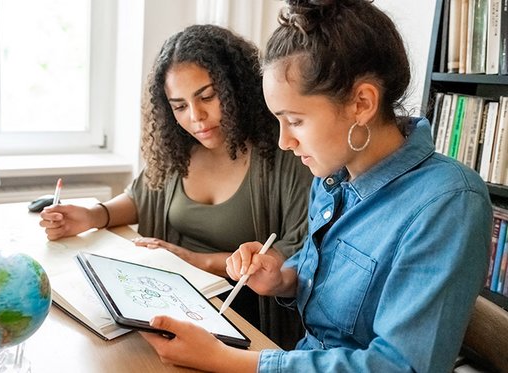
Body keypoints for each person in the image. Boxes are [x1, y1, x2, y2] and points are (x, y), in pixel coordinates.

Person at [140, 1, 493, 372]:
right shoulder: (331, 178)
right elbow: (317, 278)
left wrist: (226, 360)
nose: (283, 142)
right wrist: (280, 277)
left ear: (362, 103)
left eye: (294, 120)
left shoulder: (448, 203)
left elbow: (398, 366)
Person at [39, 24, 313, 348]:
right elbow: (143, 196)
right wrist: (91, 216)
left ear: (236, 87)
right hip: (176, 301)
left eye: (207, 97)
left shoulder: (285, 153)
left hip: (244, 320)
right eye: (180, 106)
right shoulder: (180, 148)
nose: (196, 117)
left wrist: (188, 259)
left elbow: (295, 258)